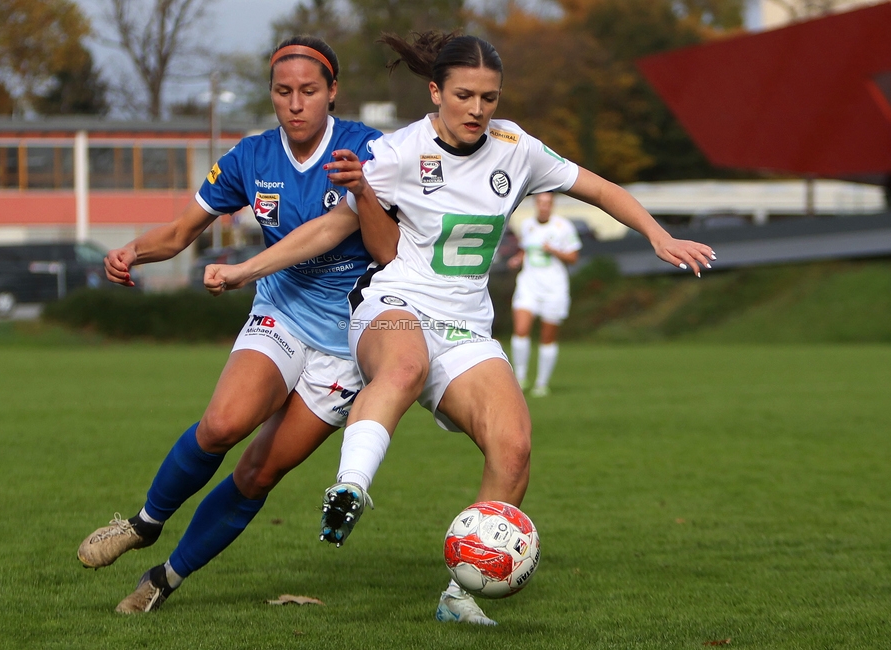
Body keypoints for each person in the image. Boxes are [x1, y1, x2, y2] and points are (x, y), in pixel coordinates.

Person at [205, 31, 714, 625]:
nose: (478, 109)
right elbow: (329, 229)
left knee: (514, 445)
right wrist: (246, 270)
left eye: (490, 98)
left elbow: (596, 186)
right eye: (465, 95)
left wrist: (658, 234)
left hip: (466, 325)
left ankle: (462, 592)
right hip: (391, 302)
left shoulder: (515, 147)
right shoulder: (395, 152)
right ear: (435, 91)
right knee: (402, 366)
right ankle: (349, 487)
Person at [75, 35, 396, 614]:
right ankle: (145, 523)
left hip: (347, 343)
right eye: (283, 92)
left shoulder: (367, 148)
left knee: (257, 471)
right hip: (282, 311)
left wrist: (362, 192)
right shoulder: (251, 157)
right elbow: (179, 233)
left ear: (332, 94)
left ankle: (163, 578)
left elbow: (380, 245)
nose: (295, 103)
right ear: (271, 96)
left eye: (309, 91)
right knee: (222, 424)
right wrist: (131, 252)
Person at [508, 192, 581, 397]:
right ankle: (520, 378)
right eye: (540, 202)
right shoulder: (527, 225)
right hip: (528, 286)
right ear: (535, 204)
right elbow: (525, 250)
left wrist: (554, 250)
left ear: (552, 205)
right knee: (521, 330)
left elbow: (573, 257)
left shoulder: (563, 227)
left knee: (547, 336)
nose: (544, 206)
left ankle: (542, 383)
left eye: (548, 203)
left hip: (554, 289)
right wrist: (518, 258)